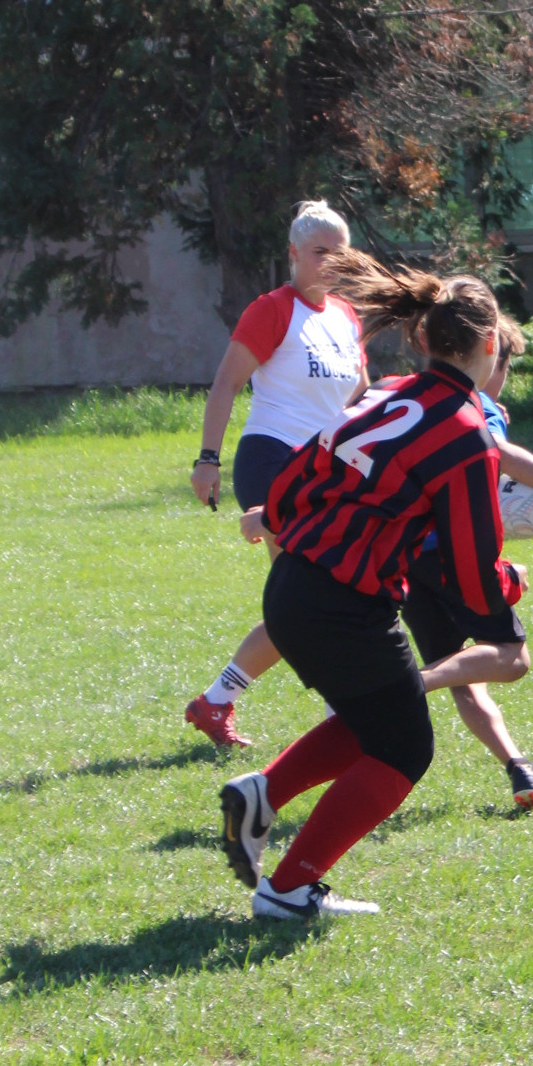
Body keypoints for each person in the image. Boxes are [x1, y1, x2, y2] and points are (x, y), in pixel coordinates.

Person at [216, 255, 533, 923]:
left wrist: (277, 519)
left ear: (423, 337)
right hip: (345, 604)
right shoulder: (465, 431)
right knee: (405, 747)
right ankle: (289, 889)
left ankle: (262, 795)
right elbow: (470, 565)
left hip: (292, 586)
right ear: (489, 342)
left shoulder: (387, 393)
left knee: (379, 717)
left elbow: (301, 473)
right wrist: (507, 585)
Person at [185, 203, 367, 747]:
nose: (330, 263)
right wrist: (207, 458)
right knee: (314, 596)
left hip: (326, 471)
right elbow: (225, 384)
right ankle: (344, 718)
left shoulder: (346, 315)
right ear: (293, 254)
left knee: (312, 602)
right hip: (273, 464)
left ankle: (216, 702)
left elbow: (359, 398)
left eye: (340, 253)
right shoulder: (272, 310)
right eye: (319, 252)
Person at [401, 319, 533, 813]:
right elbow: (494, 450)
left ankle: (517, 765)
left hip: (409, 557)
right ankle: (407, 684)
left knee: (460, 672)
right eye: (506, 368)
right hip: (455, 554)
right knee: (512, 657)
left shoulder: (413, 398)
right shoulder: (477, 405)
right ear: (491, 358)